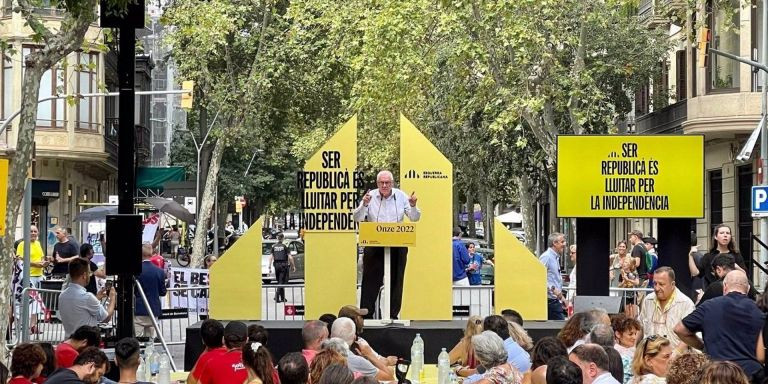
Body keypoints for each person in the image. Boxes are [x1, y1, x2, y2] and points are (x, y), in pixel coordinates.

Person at [352, 170, 420, 319]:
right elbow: (357, 217)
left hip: (398, 243)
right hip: (374, 244)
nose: (384, 185)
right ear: (377, 184)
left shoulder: (401, 196)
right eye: (381, 183)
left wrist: (413, 206)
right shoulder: (370, 197)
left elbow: (414, 218)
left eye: (387, 183)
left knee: (396, 281)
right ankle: (366, 316)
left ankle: (392, 315)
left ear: (392, 183)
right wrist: (364, 204)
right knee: (370, 280)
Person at [674, 270, 764, 381]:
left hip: (717, 374)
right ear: (748, 289)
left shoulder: (709, 306)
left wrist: (702, 347)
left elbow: (679, 329)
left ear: (724, 286)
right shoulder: (759, 311)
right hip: (750, 374)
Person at [638, 267, 694, 352]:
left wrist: (675, 355)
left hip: (676, 361)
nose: (657, 288)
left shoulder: (686, 304)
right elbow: (641, 327)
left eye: (661, 284)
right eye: (655, 283)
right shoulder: (648, 300)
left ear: (672, 285)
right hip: (650, 358)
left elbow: (689, 336)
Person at [57, 258, 116, 337]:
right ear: (84, 275)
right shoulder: (87, 297)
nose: (90, 275)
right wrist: (112, 298)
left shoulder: (62, 296)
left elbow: (80, 307)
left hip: (69, 340)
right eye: (89, 273)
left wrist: (96, 298)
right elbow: (106, 318)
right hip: (86, 344)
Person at [688, 224, 746, 291]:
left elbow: (744, 275)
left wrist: (733, 265)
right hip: (713, 292)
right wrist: (690, 255)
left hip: (732, 292)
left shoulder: (736, 255)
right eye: (722, 233)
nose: (725, 235)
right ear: (716, 237)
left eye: (728, 233)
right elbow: (696, 273)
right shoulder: (708, 256)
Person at [16, 226, 49, 334]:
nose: (33, 233)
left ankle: (33, 326)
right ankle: (24, 326)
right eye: (31, 231)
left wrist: (45, 262)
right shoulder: (22, 244)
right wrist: (36, 264)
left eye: (35, 231)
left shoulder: (38, 244)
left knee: (36, 303)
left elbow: (41, 258)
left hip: (39, 275)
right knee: (26, 302)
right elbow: (20, 260)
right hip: (27, 276)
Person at [135, 244, 167, 338]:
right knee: (150, 342)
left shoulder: (136, 271)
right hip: (153, 310)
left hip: (139, 310)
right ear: (152, 254)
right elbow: (163, 292)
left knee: (136, 340)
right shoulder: (159, 271)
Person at [188, 319, 225, 384]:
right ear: (223, 338)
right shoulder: (237, 354)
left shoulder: (205, 359)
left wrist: (205, 352)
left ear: (202, 340)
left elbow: (190, 382)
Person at [539, 232, 566, 320]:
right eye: (562, 242)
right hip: (550, 301)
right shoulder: (546, 257)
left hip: (554, 300)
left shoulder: (555, 257)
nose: (564, 244)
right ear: (554, 243)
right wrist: (554, 290)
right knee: (560, 327)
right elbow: (539, 277)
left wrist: (562, 298)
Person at [45, 347, 109, 384]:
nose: (97, 380)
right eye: (99, 374)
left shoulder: (60, 373)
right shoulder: (72, 381)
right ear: (91, 366)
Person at [612, 315, 642, 384]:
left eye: (635, 334)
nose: (634, 337)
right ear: (618, 334)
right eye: (630, 334)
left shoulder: (634, 350)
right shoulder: (615, 353)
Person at [269, 233, 295, 303]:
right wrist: (293, 266)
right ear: (283, 238)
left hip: (276, 265)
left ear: (278, 238)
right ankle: (277, 296)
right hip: (283, 265)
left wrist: (269, 266)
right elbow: (290, 257)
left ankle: (283, 297)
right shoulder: (284, 246)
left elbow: (271, 257)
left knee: (280, 281)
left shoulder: (274, 246)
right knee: (282, 281)